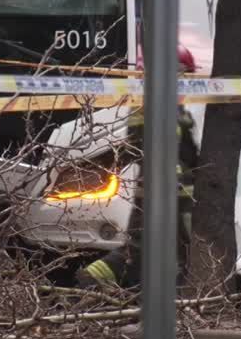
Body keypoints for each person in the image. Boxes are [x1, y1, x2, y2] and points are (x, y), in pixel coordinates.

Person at [75, 46, 200, 289]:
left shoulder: (162, 106)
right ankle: (94, 279)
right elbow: (149, 148)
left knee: (147, 251)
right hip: (167, 194)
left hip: (164, 193)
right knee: (168, 251)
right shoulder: (151, 107)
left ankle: (101, 281)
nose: (188, 85)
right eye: (185, 77)